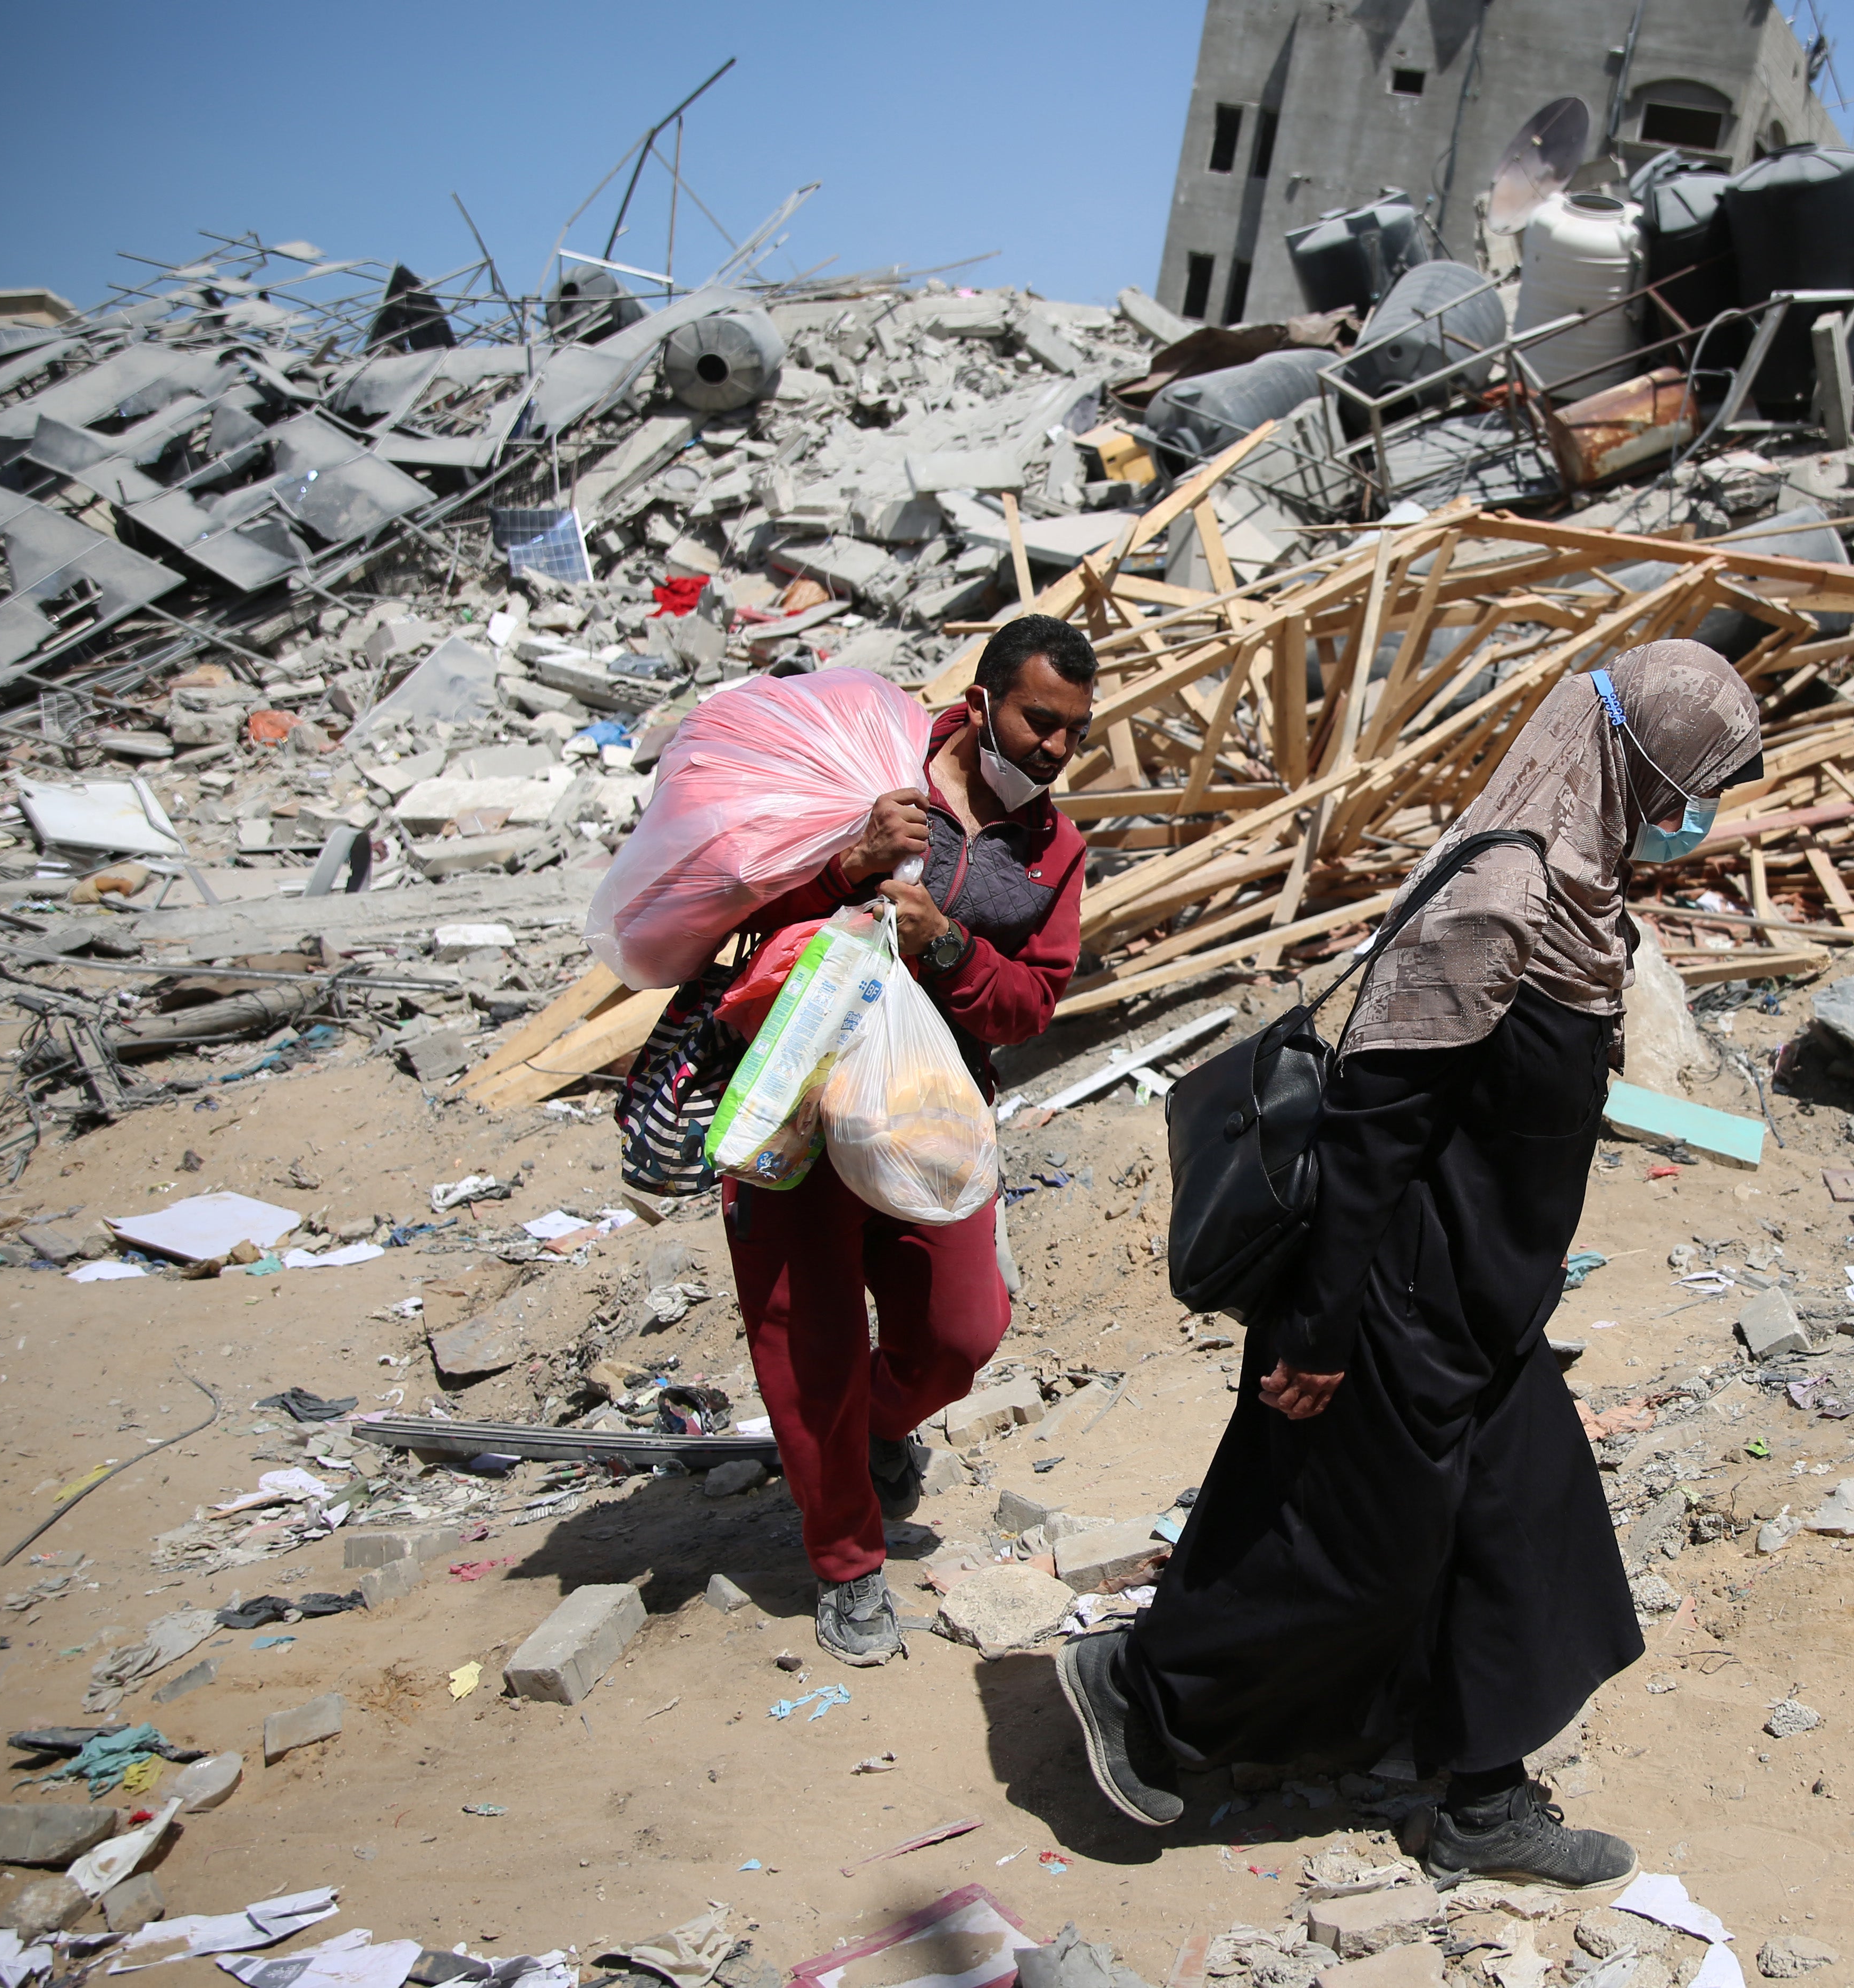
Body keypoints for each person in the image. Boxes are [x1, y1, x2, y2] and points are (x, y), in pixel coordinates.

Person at [1057, 638, 1763, 1890]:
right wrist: (1317, 1332)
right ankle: (1141, 1692)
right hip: (1399, 1306)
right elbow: (1375, 1133)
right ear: (1634, 760)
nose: (1694, 814)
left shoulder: (1582, 902)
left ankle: (1482, 1800)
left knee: (1520, 1527)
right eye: (1691, 781)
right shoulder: (1500, 900)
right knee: (1344, 1558)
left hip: (1481, 1308)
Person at [715, 615, 1098, 1665]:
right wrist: (849, 863)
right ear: (979, 705)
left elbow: (1029, 1003)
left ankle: (879, 1426)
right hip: (801, 1095)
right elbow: (737, 899)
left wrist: (952, 943)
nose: (1055, 749)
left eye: (1074, 733)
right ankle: (845, 1556)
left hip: (928, 1112)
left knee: (961, 1329)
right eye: (1038, 721)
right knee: (808, 1341)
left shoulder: (1054, 851)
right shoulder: (872, 771)